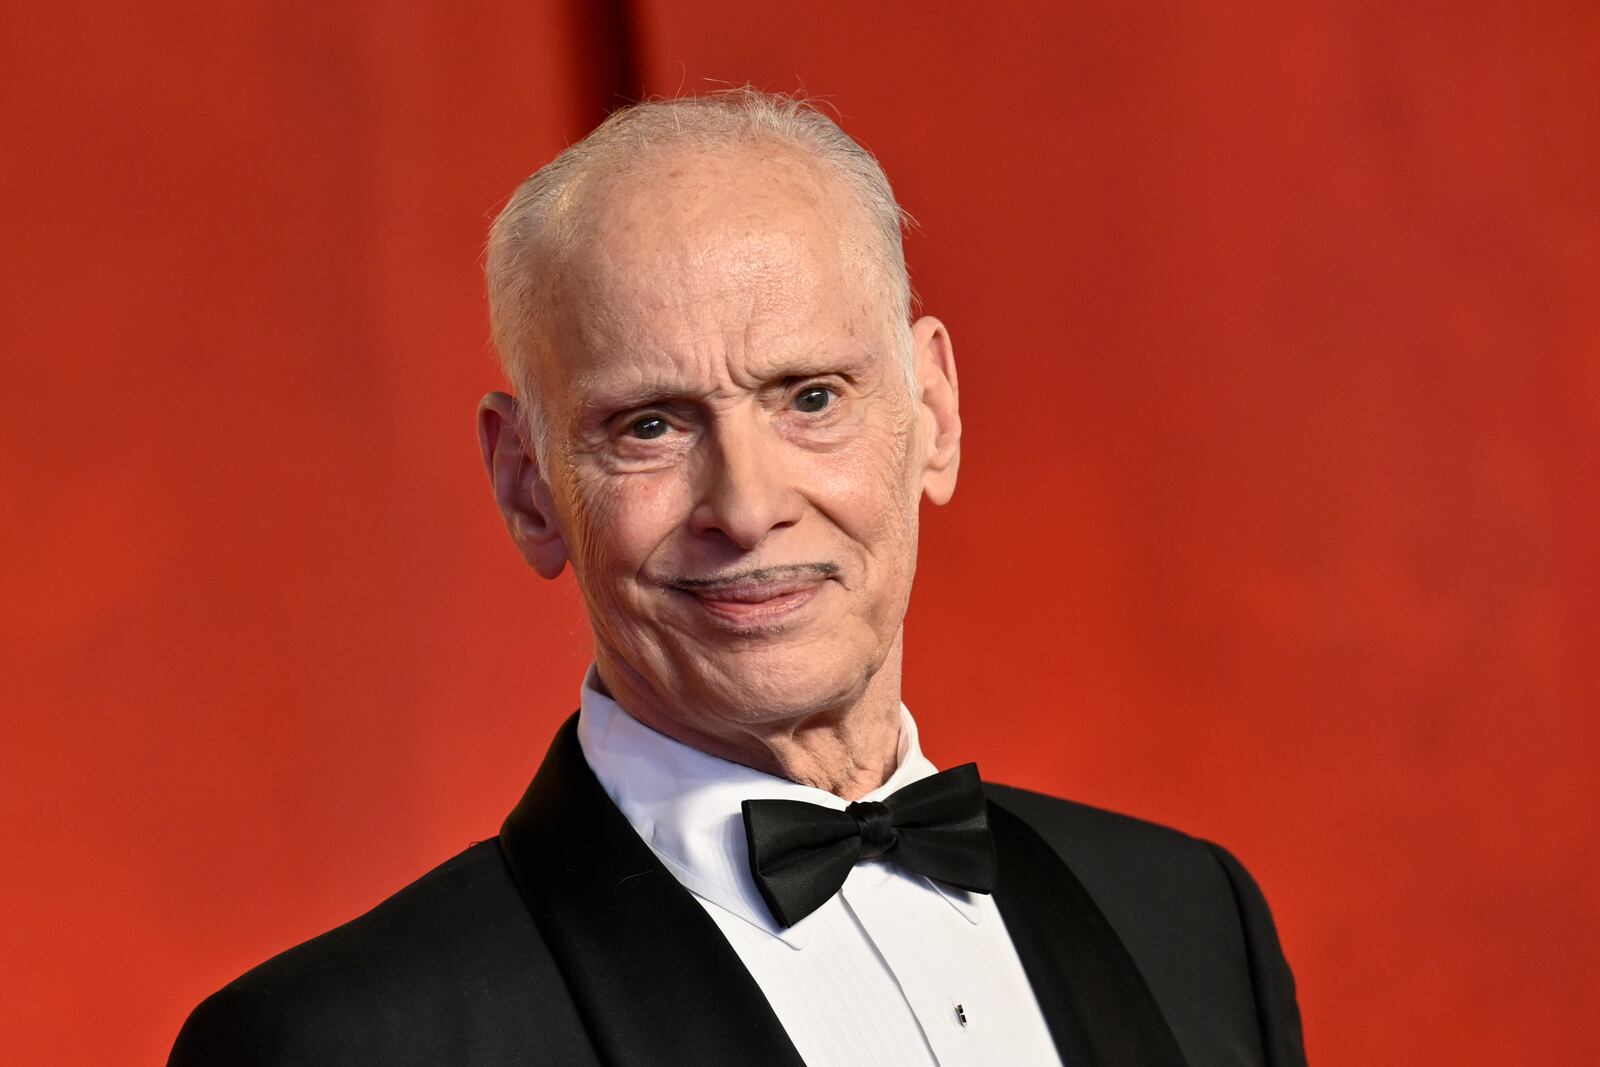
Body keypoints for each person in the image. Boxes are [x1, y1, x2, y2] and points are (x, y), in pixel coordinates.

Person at [170, 89, 1306, 1066]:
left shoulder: (1193, 918)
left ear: (933, 413)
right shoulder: (339, 1044)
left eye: (810, 396)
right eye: (650, 424)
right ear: (527, 485)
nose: (748, 505)